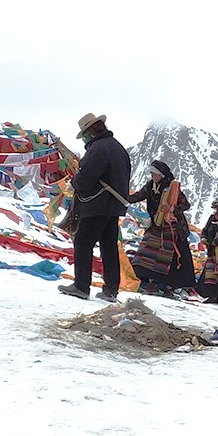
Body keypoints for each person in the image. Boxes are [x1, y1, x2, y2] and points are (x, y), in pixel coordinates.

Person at [58, 113, 130, 303]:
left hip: (97, 204)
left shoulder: (98, 148)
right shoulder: (118, 147)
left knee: (83, 242)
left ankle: (81, 285)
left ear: (91, 131)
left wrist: (75, 181)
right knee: (108, 246)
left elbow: (86, 178)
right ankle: (111, 289)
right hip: (114, 205)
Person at [126, 160, 189, 297]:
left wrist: (171, 209)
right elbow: (138, 196)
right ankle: (145, 281)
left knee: (164, 257)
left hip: (171, 228)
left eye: (154, 173)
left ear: (161, 175)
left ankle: (161, 284)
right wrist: (123, 195)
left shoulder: (172, 188)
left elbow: (185, 205)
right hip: (156, 224)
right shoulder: (150, 186)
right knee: (145, 251)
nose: (151, 176)